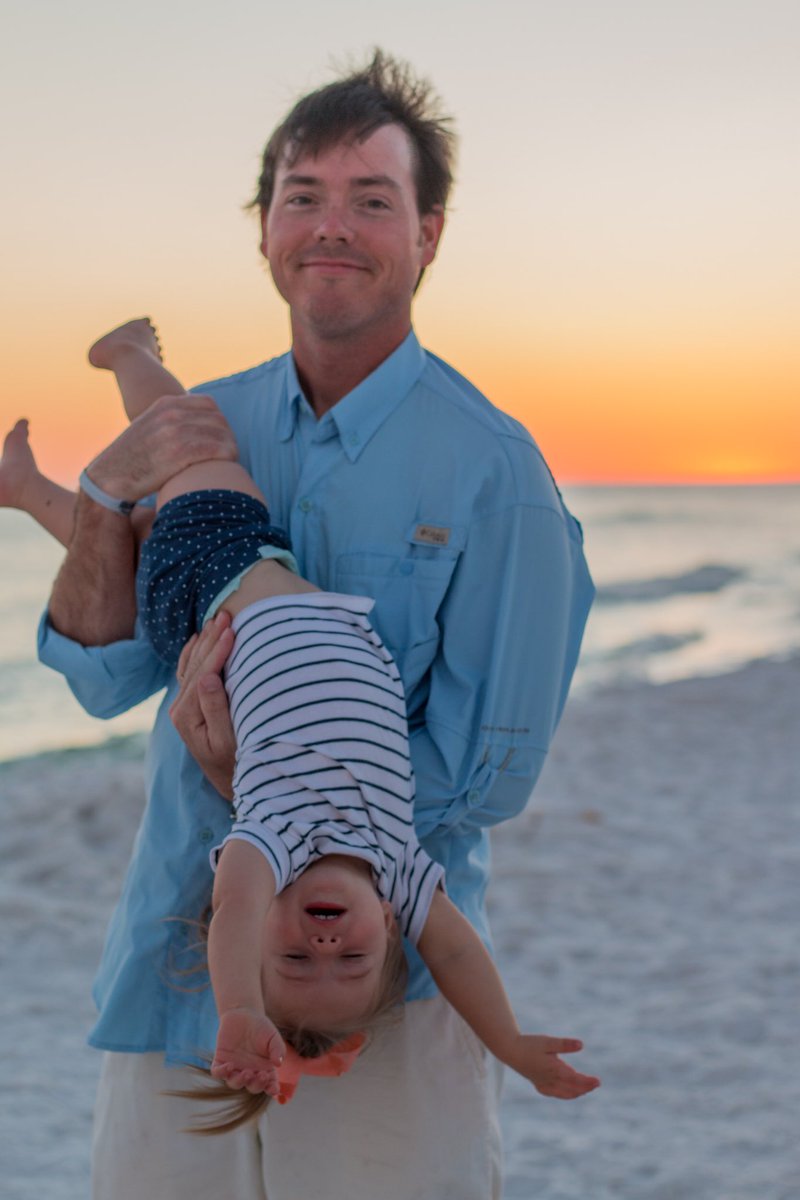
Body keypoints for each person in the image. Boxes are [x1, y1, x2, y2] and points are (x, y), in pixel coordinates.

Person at [33, 50, 595, 1200]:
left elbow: (490, 778)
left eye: (370, 200)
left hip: (379, 995)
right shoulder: (204, 422)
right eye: (304, 197)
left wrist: (279, 792)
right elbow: (101, 677)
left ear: (428, 234)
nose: (331, 228)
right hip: (164, 970)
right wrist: (95, 502)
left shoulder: (497, 474)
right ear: (264, 231)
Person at [4, 319, 600, 1124]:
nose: (324, 947)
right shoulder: (399, 865)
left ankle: (129, 357)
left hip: (216, 584)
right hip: (264, 579)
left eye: (292, 957)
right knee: (139, 535)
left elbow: (236, 917)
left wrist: (241, 1010)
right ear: (389, 926)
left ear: (259, 932)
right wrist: (508, 1041)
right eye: (350, 959)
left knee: (196, 441)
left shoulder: (267, 844)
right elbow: (457, 952)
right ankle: (22, 487)